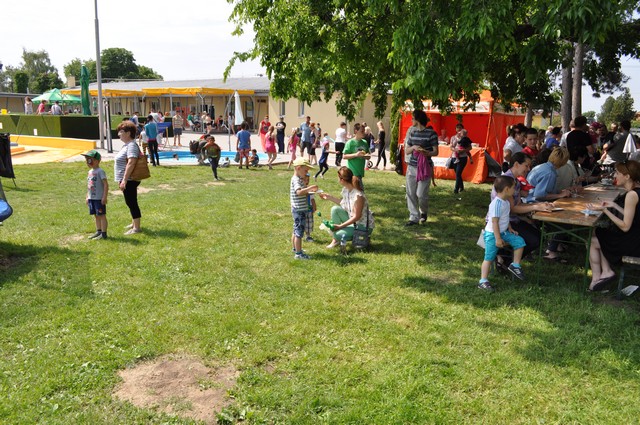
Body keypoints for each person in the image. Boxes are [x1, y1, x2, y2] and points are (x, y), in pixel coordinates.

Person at [492, 152, 555, 266]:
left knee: (538, 236)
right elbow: (513, 209)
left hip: (512, 220)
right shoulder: (507, 181)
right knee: (534, 240)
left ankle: (506, 259)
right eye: (526, 165)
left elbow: (518, 204)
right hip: (504, 223)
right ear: (516, 164)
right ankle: (505, 260)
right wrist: (536, 206)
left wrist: (540, 205)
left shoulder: (514, 180)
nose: (528, 169)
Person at [587, 160, 640, 291]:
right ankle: (605, 272)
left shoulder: (631, 195)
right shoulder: (636, 191)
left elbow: (625, 226)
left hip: (634, 244)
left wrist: (605, 211)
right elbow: (632, 215)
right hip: (636, 237)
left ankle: (597, 278)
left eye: (617, 173)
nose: (615, 175)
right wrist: (614, 205)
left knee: (592, 240)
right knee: (599, 233)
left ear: (627, 176)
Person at [478, 175, 527, 291]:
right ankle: (483, 281)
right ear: (506, 189)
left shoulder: (506, 202)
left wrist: (510, 228)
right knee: (489, 258)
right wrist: (498, 238)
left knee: (520, 242)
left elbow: (505, 218)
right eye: (513, 188)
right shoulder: (497, 204)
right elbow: (495, 222)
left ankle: (515, 266)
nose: (514, 190)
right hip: (492, 235)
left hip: (504, 232)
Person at [319, 166, 374, 248]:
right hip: (354, 222)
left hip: (363, 226)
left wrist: (340, 226)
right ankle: (336, 240)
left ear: (342, 179)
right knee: (335, 209)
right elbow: (344, 204)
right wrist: (329, 197)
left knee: (337, 234)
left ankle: (363, 238)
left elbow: (357, 216)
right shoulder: (346, 190)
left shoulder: (358, 195)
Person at [404, 110, 439, 225]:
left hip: (424, 168)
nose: (411, 120)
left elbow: (435, 152)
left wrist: (426, 153)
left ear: (417, 120)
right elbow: (407, 151)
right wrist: (414, 147)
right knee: (410, 193)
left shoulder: (431, 134)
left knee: (421, 194)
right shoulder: (412, 133)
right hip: (412, 167)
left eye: (412, 118)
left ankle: (423, 212)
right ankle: (413, 217)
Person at [114, 121, 144, 235]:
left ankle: (137, 228)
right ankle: (134, 223)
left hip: (130, 179)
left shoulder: (131, 145)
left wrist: (124, 180)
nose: (119, 134)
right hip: (127, 179)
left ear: (128, 133)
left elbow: (131, 162)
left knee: (131, 202)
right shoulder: (127, 145)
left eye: (121, 132)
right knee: (130, 201)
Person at [290, 157, 318, 259]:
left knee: (296, 230)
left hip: (298, 209)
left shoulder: (299, 179)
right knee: (299, 232)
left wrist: (309, 191)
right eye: (305, 170)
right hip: (299, 210)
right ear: (298, 168)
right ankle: (299, 254)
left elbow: (302, 191)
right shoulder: (296, 180)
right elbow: (299, 192)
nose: (307, 173)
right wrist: (310, 188)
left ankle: (295, 248)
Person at [82, 149, 109, 240]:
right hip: (92, 198)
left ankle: (104, 234)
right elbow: (89, 186)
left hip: (99, 198)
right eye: (87, 160)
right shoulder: (90, 172)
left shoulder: (100, 171)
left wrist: (104, 196)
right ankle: (98, 231)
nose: (88, 162)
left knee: (101, 215)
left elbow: (105, 184)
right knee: (96, 215)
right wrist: (87, 196)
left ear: (97, 161)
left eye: (90, 160)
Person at [302, 173, 317, 242]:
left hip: (309, 209)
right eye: (305, 180)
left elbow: (312, 199)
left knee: (309, 222)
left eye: (308, 180)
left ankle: (308, 236)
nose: (307, 181)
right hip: (302, 209)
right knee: (303, 222)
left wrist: (314, 206)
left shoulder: (310, 190)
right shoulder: (300, 190)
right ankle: (300, 235)